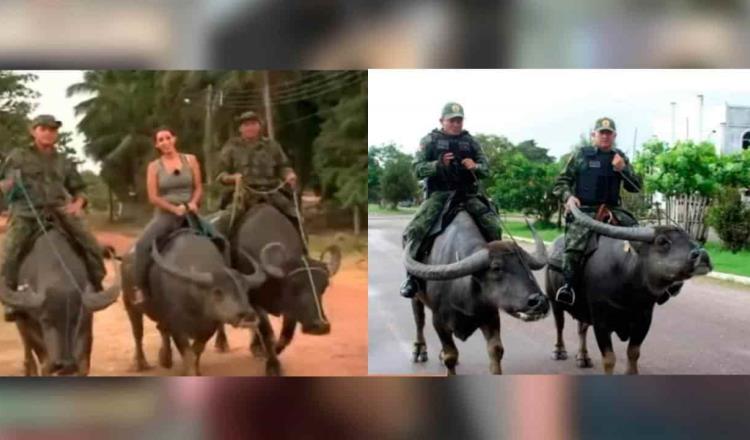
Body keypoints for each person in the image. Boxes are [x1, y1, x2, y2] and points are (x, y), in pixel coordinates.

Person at [0, 114, 107, 321]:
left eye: (52, 130)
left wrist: (78, 204)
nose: (48, 133)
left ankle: (95, 285)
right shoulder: (18, 156)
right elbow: (3, 185)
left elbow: (79, 189)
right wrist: (11, 185)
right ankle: (11, 300)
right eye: (44, 129)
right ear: (33, 131)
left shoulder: (64, 161)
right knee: (10, 252)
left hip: (59, 211)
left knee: (91, 245)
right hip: (27, 213)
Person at [399, 102, 501, 298]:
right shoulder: (429, 140)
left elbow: (486, 169)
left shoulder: (471, 142)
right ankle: (412, 277)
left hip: (468, 195)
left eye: (459, 120)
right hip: (440, 195)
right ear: (442, 121)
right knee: (412, 231)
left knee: (493, 226)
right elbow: (416, 169)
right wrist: (438, 165)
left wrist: (475, 167)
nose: (456, 124)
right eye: (452, 120)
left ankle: (497, 269)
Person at [552, 117, 642, 305]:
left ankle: (645, 283)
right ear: (594, 135)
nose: (605, 136)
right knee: (575, 247)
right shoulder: (581, 156)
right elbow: (561, 182)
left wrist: (623, 169)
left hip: (613, 210)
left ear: (614, 136)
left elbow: (636, 187)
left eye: (609, 133)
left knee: (640, 237)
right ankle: (568, 286)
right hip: (584, 210)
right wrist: (569, 197)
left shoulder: (619, 158)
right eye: (601, 133)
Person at [131, 127, 204, 304]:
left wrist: (193, 203)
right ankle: (139, 287)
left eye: (167, 138)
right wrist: (173, 209)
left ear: (174, 139)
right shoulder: (154, 167)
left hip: (191, 212)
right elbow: (153, 197)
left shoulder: (191, 159)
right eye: (161, 140)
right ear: (157, 145)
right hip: (167, 214)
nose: (165, 142)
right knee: (142, 245)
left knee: (219, 239)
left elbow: (199, 187)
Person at [213, 111, 301, 241]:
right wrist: (233, 178)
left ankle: (303, 253)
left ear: (259, 126)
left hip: (271, 192)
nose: (250, 128)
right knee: (227, 219)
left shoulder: (272, 146)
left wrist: (289, 174)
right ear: (240, 128)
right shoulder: (231, 147)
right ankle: (221, 249)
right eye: (246, 125)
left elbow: (283, 166)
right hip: (244, 193)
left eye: (253, 124)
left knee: (295, 216)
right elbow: (221, 175)